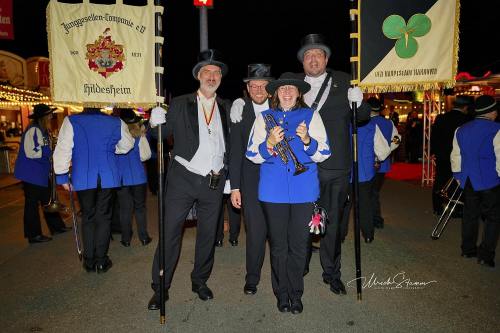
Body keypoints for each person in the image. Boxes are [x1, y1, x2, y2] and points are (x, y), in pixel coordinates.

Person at [147, 49, 231, 310]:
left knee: (207, 234)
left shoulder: (228, 106)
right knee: (170, 232)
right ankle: (161, 286)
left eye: (216, 72)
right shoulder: (181, 103)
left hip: (214, 182)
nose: (212, 76)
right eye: (206, 71)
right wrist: (155, 123)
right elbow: (162, 136)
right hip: (183, 179)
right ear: (198, 76)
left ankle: (200, 280)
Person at [247, 72, 330, 314]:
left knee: (299, 244)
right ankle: (281, 294)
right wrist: (269, 143)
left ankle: (296, 293)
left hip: (304, 190)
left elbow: (324, 152)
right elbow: (252, 154)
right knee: (279, 246)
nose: (286, 92)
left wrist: (307, 141)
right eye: (282, 88)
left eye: (291, 88)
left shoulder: (311, 115)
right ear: (275, 93)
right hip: (273, 192)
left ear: (299, 93)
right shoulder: (264, 118)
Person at [297, 33, 370, 294]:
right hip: (302, 167)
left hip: (336, 166)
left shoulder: (343, 81)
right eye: (308, 55)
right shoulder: (292, 86)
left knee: (334, 222)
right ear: (302, 62)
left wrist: (359, 99)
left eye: (318, 54)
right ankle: (300, 263)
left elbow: (361, 117)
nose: (313, 59)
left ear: (326, 58)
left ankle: (331, 271)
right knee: (300, 219)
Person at [54, 107, 134, 273]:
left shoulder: (72, 121)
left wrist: (61, 176)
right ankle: (101, 261)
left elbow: (63, 148)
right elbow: (127, 145)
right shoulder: (115, 121)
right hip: (108, 175)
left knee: (88, 216)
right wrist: (113, 149)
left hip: (83, 175)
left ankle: (89, 261)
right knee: (104, 217)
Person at [229, 63, 274, 295]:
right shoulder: (240, 110)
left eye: (263, 85)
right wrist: (234, 186)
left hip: (278, 180)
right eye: (253, 85)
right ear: (247, 87)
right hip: (250, 180)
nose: (258, 90)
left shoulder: (281, 107)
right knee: (255, 232)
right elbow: (235, 151)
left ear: (270, 87)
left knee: (279, 231)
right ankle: (252, 278)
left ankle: (283, 278)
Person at [451, 95, 500, 268]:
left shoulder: (461, 129)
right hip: (490, 180)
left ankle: (467, 249)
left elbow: (456, 155)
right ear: (491, 112)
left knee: (470, 215)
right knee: (493, 218)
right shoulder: (496, 129)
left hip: (469, 179)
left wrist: (458, 175)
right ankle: (486, 256)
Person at [14, 104, 70, 244]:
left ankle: (56, 227)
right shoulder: (34, 130)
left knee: (49, 200)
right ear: (43, 117)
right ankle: (34, 235)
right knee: (32, 205)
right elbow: (32, 152)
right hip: (31, 174)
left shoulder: (43, 130)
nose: (51, 116)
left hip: (40, 173)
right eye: (49, 114)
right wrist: (49, 153)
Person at [339, 106, 391, 242]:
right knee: (365, 205)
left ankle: (340, 235)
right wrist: (376, 159)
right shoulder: (372, 127)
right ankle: (368, 235)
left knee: (345, 205)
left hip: (346, 172)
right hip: (365, 173)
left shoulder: (343, 126)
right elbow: (383, 151)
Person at [116, 109, 152, 247]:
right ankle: (143, 237)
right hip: (138, 177)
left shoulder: (117, 137)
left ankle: (126, 239)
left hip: (122, 178)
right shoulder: (140, 137)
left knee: (125, 209)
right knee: (140, 208)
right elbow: (146, 156)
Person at [430, 96, 471, 215]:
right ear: (465, 107)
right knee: (457, 181)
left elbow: (434, 137)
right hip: (459, 155)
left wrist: (435, 152)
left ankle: (438, 207)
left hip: (442, 155)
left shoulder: (441, 118)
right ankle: (456, 209)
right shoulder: (467, 120)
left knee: (440, 180)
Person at [367, 97, 401, 229]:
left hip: (369, 163)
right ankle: (375, 218)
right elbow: (397, 139)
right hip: (383, 164)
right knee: (374, 192)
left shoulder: (367, 123)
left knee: (370, 193)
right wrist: (388, 150)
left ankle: (375, 219)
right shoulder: (389, 123)